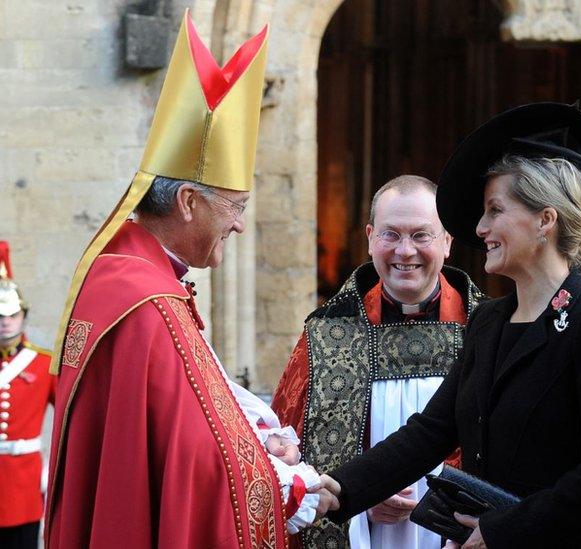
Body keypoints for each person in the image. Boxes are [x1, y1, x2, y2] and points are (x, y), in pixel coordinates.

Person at [44, 12, 337, 548]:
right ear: (187, 201)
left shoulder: (122, 273)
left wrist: (256, 434)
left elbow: (192, 418)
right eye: (236, 207)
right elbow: (197, 461)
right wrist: (290, 486)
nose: (240, 224)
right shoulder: (146, 301)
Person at [317, 102, 581, 548]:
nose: (480, 226)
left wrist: (503, 529)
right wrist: (340, 489)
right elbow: (431, 431)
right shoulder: (490, 320)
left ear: (545, 220)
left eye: (495, 210)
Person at [271, 174, 486, 548]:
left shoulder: (485, 331)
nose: (405, 251)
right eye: (391, 235)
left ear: (447, 242)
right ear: (370, 238)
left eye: (421, 235)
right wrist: (360, 503)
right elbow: (288, 458)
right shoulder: (325, 337)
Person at [0, 242, 56, 549]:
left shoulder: (43, 363)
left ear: (23, 316)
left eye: (12, 313)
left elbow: (70, 415)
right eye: (0, 314)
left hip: (23, 484)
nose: (6, 321)